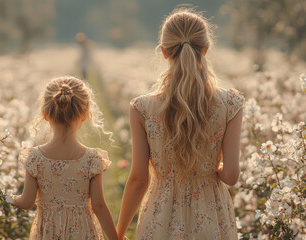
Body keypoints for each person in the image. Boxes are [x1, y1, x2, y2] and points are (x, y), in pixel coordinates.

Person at [116, 8, 244, 240]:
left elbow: (138, 179)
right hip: (212, 218)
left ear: (164, 52)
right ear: (205, 50)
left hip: (160, 219)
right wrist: (209, 169)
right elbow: (232, 176)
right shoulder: (231, 104)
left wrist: (118, 233)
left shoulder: (141, 108)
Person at [13, 76, 118, 240]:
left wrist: (10, 198)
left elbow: (26, 202)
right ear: (85, 114)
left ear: (45, 114)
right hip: (83, 232)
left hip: (48, 232)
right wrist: (115, 238)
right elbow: (98, 206)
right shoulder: (92, 159)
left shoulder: (35, 158)